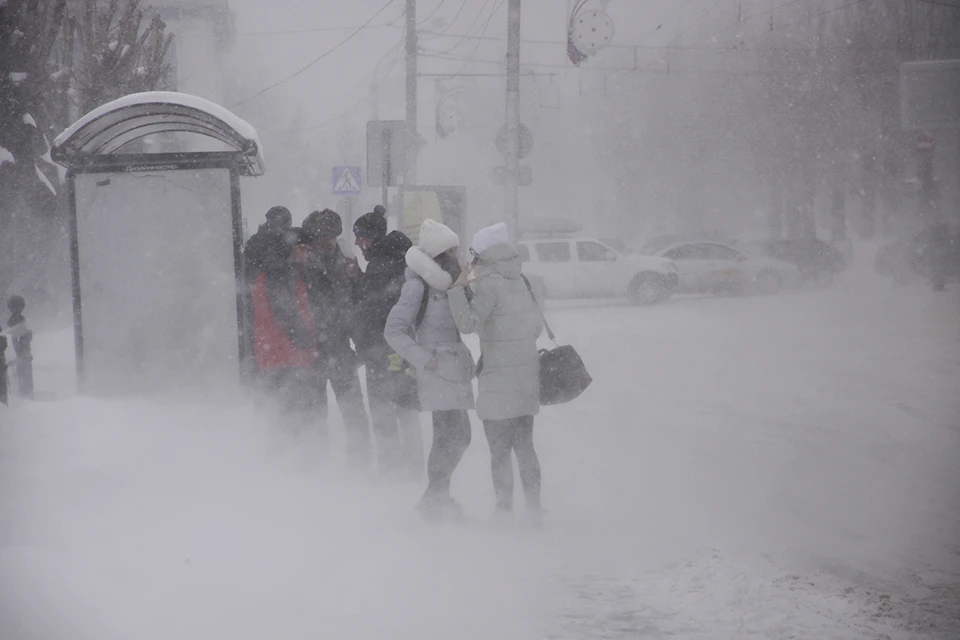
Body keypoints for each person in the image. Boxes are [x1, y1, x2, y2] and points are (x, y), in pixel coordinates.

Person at [447, 222, 545, 523]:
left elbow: (468, 323)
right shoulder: (521, 279)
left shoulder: (488, 283)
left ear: (483, 255)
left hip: (498, 380)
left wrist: (457, 289)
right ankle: (534, 510)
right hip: (527, 374)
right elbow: (536, 326)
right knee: (525, 446)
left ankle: (503, 510)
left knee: (500, 450)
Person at [384, 219, 475, 522]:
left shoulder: (453, 283)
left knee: (458, 436)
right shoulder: (417, 285)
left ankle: (435, 497)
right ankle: (436, 499)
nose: (457, 256)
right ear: (438, 255)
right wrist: (426, 360)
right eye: (451, 251)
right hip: (436, 371)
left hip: (455, 369)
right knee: (452, 434)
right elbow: (394, 331)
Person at [352, 205, 424, 479]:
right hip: (402, 350)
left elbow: (373, 311)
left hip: (381, 351)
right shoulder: (399, 260)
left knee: (383, 410)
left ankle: (391, 468)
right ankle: (416, 466)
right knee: (406, 407)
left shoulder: (379, 265)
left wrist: (364, 346)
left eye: (360, 236)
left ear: (372, 237)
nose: (357, 243)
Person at [300, 208, 373, 469]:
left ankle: (360, 464)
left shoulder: (345, 263)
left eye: (331, 236)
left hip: (340, 347)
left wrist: (357, 277)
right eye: (322, 236)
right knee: (313, 412)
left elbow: (358, 303)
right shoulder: (302, 264)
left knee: (353, 410)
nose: (327, 241)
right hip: (311, 349)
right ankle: (315, 465)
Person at [247, 217, 322, 435]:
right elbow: (286, 313)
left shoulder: (276, 270)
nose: (308, 256)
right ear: (295, 247)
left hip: (277, 356)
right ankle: (292, 466)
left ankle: (287, 462)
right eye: (305, 250)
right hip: (285, 357)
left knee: (283, 418)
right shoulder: (281, 272)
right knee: (292, 420)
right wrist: (308, 343)